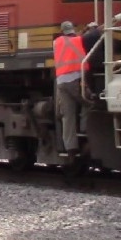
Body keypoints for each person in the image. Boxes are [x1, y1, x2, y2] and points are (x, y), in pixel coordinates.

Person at [53, 21, 87, 159]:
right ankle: (84, 130)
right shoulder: (79, 40)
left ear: (62, 31)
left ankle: (70, 148)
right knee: (87, 104)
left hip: (61, 83)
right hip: (75, 81)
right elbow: (83, 37)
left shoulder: (57, 42)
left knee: (68, 116)